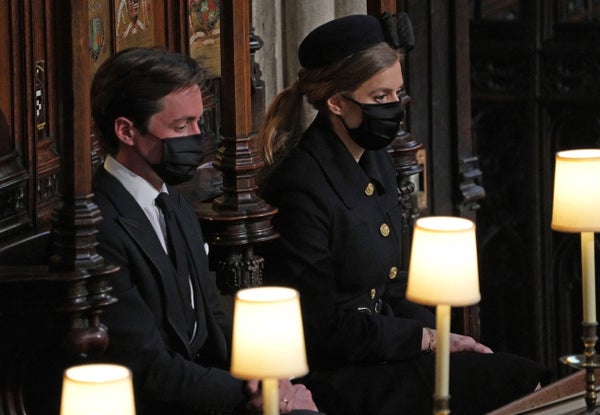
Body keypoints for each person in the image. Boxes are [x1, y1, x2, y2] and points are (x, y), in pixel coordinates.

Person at [255, 14, 547, 415]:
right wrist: (426, 340)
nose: (394, 108)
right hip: (337, 372)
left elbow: (392, 287)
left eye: (397, 94)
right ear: (337, 103)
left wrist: (444, 338)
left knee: (522, 377)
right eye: (379, 98)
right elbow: (319, 330)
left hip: (383, 348)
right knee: (518, 380)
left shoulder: (375, 160)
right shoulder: (300, 185)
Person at [90, 47, 320, 415]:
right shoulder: (99, 227)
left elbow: (210, 318)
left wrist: (268, 379)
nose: (196, 139)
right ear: (126, 130)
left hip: (210, 389)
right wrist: (256, 399)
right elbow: (147, 367)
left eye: (199, 123)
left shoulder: (176, 204)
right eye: (181, 127)